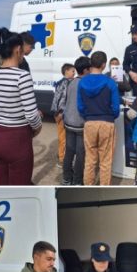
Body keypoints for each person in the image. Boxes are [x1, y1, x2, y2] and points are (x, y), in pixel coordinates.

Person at [0, 27, 41, 185]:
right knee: (20, 190)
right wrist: (38, 127)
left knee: (3, 189)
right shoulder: (22, 76)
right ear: (18, 49)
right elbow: (31, 115)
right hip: (17, 140)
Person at [77, 51, 120, 186]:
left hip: (89, 123)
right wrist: (109, 116)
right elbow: (116, 108)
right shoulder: (110, 83)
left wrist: (89, 116)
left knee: (90, 161)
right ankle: (104, 189)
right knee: (105, 162)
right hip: (106, 123)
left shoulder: (82, 82)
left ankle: (87, 188)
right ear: (103, 65)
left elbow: (80, 106)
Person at [61, 57, 90, 185]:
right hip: (80, 124)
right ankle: (78, 180)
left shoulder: (71, 82)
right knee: (80, 154)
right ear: (85, 70)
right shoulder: (85, 84)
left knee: (69, 151)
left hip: (68, 122)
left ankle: (67, 178)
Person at [50, 63, 76, 168]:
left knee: (66, 137)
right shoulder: (64, 83)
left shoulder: (69, 82)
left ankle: (63, 155)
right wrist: (59, 112)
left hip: (65, 114)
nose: (74, 73)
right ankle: (61, 159)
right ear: (66, 71)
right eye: (72, 71)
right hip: (62, 114)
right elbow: (59, 99)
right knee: (63, 137)